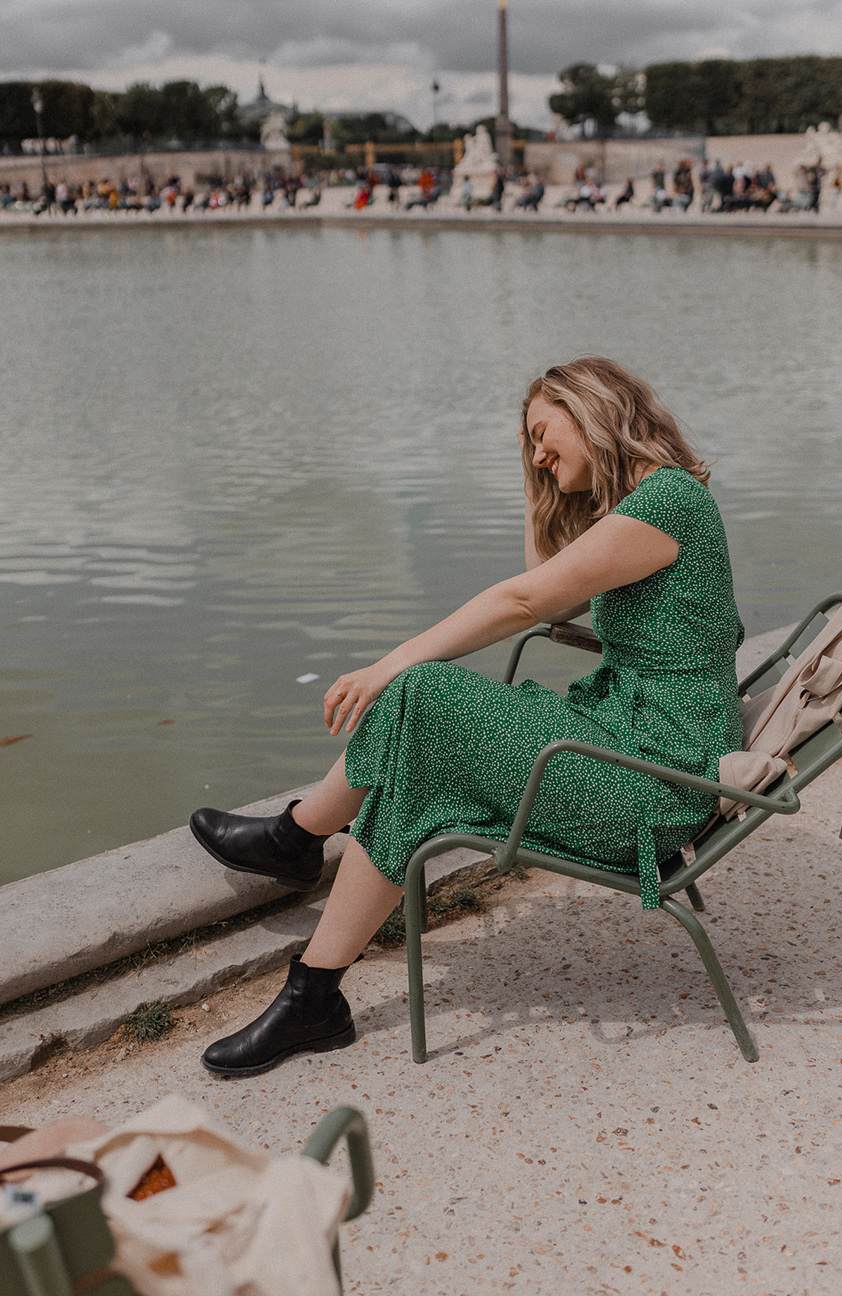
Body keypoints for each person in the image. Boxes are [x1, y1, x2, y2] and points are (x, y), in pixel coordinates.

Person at [189, 356, 745, 1077]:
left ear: (596, 411)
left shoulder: (666, 503)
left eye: (545, 435)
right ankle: (311, 969)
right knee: (423, 733)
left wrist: (389, 662)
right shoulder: (636, 510)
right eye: (531, 446)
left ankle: (299, 850)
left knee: (420, 693)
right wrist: (536, 474)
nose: (539, 454)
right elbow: (545, 572)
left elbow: (525, 603)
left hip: (653, 784)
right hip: (631, 751)